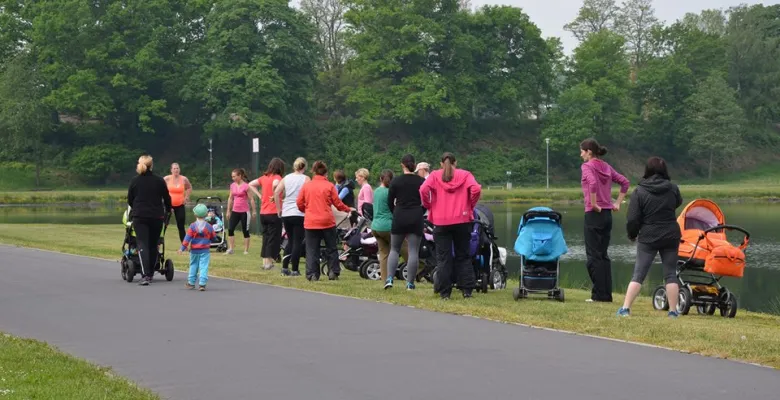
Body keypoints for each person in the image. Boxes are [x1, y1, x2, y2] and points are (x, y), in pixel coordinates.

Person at [618, 157, 683, 318]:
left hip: (648, 236)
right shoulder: (673, 188)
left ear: (647, 170)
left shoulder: (639, 191)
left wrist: (632, 234)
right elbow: (678, 202)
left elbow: (633, 218)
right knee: (670, 274)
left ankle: (625, 309)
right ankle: (673, 311)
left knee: (639, 274)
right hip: (670, 234)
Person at [419, 152, 481, 299]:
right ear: (456, 162)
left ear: (441, 164)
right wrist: (470, 205)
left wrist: (429, 205)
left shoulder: (434, 175)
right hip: (462, 219)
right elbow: (476, 189)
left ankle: (445, 292)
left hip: (440, 221)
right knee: (463, 256)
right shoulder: (465, 175)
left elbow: (422, 190)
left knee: (443, 258)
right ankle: (467, 290)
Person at [580, 138, 630, 303]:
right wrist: (616, 203)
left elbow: (592, 183)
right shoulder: (606, 166)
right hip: (607, 214)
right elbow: (625, 182)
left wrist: (593, 203)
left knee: (593, 256)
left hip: (594, 213)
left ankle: (599, 295)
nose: (581, 155)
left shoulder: (587, 166)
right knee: (603, 255)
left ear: (589, 152)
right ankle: (606, 294)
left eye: (582, 151)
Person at [297, 161, 353, 281]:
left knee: (312, 249)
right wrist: (348, 209)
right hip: (327, 221)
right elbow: (338, 203)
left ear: (313, 171)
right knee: (331, 247)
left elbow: (299, 203)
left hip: (311, 222)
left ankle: (312, 274)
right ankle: (333, 272)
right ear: (326, 173)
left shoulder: (307, 185)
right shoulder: (329, 186)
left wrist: (306, 210)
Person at [127, 155, 172, 286]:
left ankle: (145, 274)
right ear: (152, 165)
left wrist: (136, 207)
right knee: (154, 244)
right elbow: (167, 198)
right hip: (156, 216)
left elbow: (130, 199)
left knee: (142, 244)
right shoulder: (159, 181)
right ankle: (150, 273)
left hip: (140, 215)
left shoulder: (135, 181)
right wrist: (168, 210)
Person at [385, 154, 426, 290]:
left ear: (402, 165)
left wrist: (395, 212)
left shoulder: (395, 181)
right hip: (416, 215)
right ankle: (410, 283)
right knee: (413, 251)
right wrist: (421, 210)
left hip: (399, 215)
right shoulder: (421, 181)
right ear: (414, 165)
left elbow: (390, 201)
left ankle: (390, 279)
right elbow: (426, 201)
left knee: (394, 249)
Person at [275, 157, 310, 276]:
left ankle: (284, 268)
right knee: (297, 242)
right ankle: (295, 269)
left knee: (290, 240)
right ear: (304, 167)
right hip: (299, 213)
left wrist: (279, 209)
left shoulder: (286, 178)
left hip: (287, 212)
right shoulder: (306, 179)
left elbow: (276, 193)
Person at [371, 170, 409, 282]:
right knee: (404, 247)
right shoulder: (391, 192)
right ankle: (417, 269)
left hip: (376, 227)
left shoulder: (376, 191)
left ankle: (385, 278)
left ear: (380, 179)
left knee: (383, 253)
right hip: (388, 226)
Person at [250, 158, 285, 270]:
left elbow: (250, 184)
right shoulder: (277, 178)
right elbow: (275, 184)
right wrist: (275, 193)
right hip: (274, 212)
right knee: (273, 238)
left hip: (263, 213)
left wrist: (259, 196)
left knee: (265, 238)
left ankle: (265, 262)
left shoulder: (264, 178)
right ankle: (269, 263)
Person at [178, 204, 216, 291]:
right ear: (206, 215)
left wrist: (182, 248)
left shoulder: (192, 226)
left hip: (194, 250)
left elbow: (187, 238)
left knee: (193, 265)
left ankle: (191, 283)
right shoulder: (209, 226)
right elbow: (213, 237)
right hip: (205, 250)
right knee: (204, 266)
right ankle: (202, 284)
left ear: (195, 215)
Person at [226, 168, 257, 255]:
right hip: (235, 211)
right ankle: (231, 249)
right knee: (230, 229)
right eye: (232, 177)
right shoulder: (232, 185)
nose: (233, 178)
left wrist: (254, 211)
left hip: (244, 212)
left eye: (234, 176)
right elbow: (230, 198)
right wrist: (228, 210)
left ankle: (246, 250)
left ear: (240, 176)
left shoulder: (246, 186)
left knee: (245, 231)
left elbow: (251, 199)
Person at [164, 163, 192, 243]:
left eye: (177, 168)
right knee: (164, 224)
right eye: (174, 168)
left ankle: (184, 244)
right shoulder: (167, 179)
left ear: (179, 169)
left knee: (181, 225)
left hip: (180, 205)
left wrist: (186, 197)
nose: (176, 170)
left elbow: (189, 187)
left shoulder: (183, 179)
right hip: (168, 205)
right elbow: (159, 188)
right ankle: (158, 243)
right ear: (171, 170)